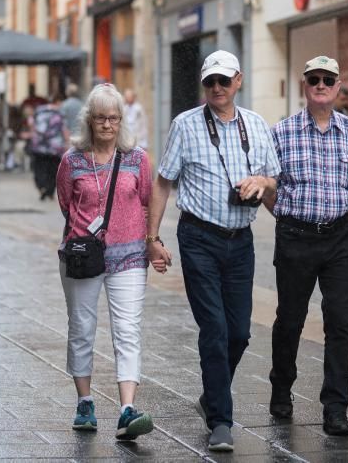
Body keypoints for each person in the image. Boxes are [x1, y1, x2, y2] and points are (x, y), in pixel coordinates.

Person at [146, 50, 280, 451]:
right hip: (199, 238)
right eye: (210, 82)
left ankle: (211, 394)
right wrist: (152, 237)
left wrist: (262, 182)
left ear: (238, 81)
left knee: (239, 332)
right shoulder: (185, 125)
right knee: (215, 329)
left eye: (224, 81)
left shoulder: (256, 125)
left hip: (241, 241)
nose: (217, 88)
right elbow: (163, 181)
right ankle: (221, 419)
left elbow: (273, 179)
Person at [265, 56, 348, 437]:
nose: (322, 84)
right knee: (290, 320)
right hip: (295, 235)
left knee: (341, 323)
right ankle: (281, 388)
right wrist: (285, 215)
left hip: (340, 238)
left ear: (339, 85)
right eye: (315, 78)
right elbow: (268, 185)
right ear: (304, 85)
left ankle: (335, 408)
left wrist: (335, 215)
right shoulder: (281, 132)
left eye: (328, 79)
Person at [56, 83, 164, 440]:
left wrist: (150, 242)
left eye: (113, 118)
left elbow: (147, 201)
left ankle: (127, 409)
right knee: (82, 329)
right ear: (89, 120)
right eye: (100, 118)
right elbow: (66, 203)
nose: (107, 124)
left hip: (130, 256)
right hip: (84, 256)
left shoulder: (136, 159)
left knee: (127, 331)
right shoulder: (72, 160)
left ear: (121, 121)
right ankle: (85, 402)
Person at [30, 94, 69, 200]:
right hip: (55, 146)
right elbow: (64, 130)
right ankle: (50, 190)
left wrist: (34, 136)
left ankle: (41, 186)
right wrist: (67, 143)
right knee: (54, 169)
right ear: (57, 102)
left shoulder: (38, 110)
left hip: (39, 144)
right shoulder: (60, 113)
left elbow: (32, 125)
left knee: (39, 167)